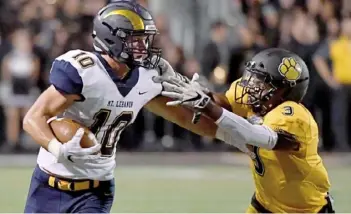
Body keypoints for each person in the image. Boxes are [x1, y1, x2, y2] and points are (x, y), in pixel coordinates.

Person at [22, 1, 218, 213]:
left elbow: (185, 118)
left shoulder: (147, 78)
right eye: (135, 40)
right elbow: (33, 118)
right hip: (47, 183)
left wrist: (233, 129)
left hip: (94, 191)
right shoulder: (84, 71)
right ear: (112, 39)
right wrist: (57, 149)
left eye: (145, 39)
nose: (144, 47)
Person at [159, 48, 335, 213]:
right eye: (253, 79)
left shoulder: (295, 116)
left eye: (261, 83)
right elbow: (224, 103)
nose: (251, 87)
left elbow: (258, 136)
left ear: (282, 90)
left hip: (306, 210)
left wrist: (207, 106)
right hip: (264, 205)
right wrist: (198, 91)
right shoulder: (258, 101)